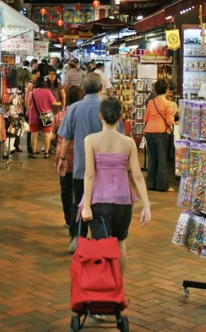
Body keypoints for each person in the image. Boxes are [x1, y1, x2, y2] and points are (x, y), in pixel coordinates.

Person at [81, 98, 151, 274]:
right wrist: (146, 205)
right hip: (123, 201)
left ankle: (103, 289)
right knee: (120, 243)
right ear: (121, 117)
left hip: (99, 200)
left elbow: (89, 174)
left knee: (100, 247)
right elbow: (137, 176)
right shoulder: (128, 142)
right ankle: (117, 287)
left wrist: (86, 206)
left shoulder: (90, 140)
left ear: (100, 116)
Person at [58, 73, 122, 252]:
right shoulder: (109, 107)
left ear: (84, 89)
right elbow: (121, 137)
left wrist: (62, 159)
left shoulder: (74, 108)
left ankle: (78, 239)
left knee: (80, 203)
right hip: (108, 170)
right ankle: (102, 242)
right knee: (104, 206)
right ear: (102, 87)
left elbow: (67, 138)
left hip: (81, 168)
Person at [56, 85, 84, 228]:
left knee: (65, 189)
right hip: (80, 156)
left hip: (64, 157)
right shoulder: (83, 114)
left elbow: (54, 133)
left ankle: (68, 218)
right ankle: (78, 218)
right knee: (79, 189)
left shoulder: (60, 115)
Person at [143, 79, 177, 192]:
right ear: (167, 90)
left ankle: (150, 183)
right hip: (161, 133)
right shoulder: (168, 104)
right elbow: (169, 121)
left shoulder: (151, 102)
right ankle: (162, 186)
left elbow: (145, 119)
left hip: (149, 132)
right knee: (162, 160)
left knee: (152, 159)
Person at [27, 76, 59, 158]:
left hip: (34, 117)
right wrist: (60, 103)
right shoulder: (47, 92)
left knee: (34, 135)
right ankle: (46, 153)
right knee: (46, 135)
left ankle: (33, 153)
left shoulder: (32, 93)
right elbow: (54, 103)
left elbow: (29, 105)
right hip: (46, 117)